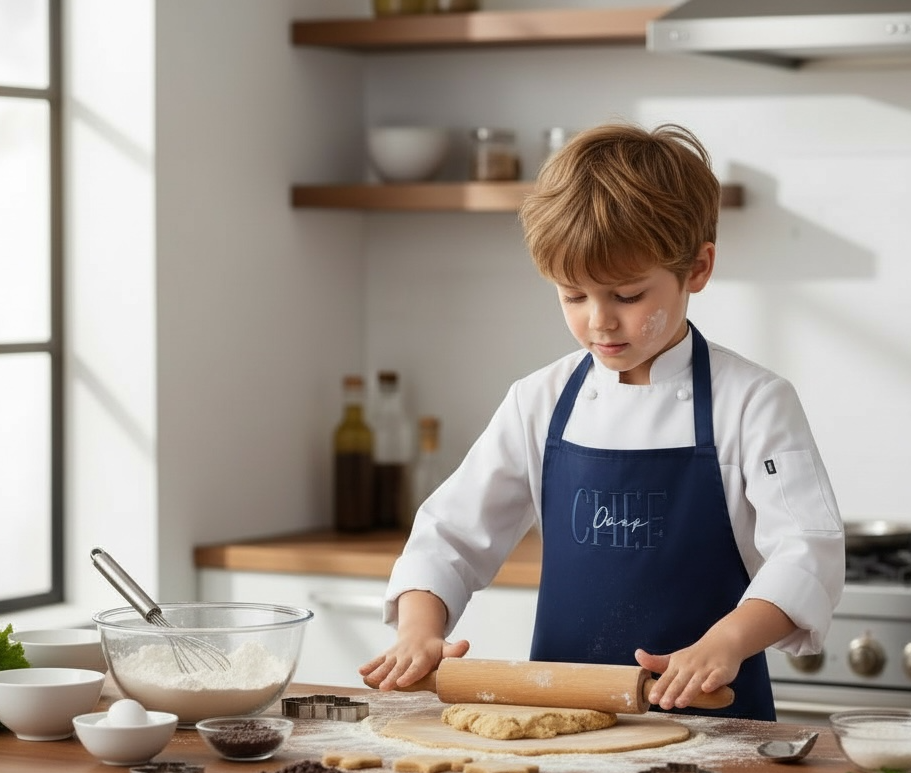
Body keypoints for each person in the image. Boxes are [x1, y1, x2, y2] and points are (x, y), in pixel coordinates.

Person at [359, 122, 845, 719]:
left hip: (715, 727)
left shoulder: (752, 402)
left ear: (697, 268)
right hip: (562, 726)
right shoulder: (540, 400)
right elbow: (450, 533)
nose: (599, 322)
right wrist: (419, 629)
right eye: (573, 296)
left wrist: (727, 642)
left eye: (628, 295)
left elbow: (807, 551)